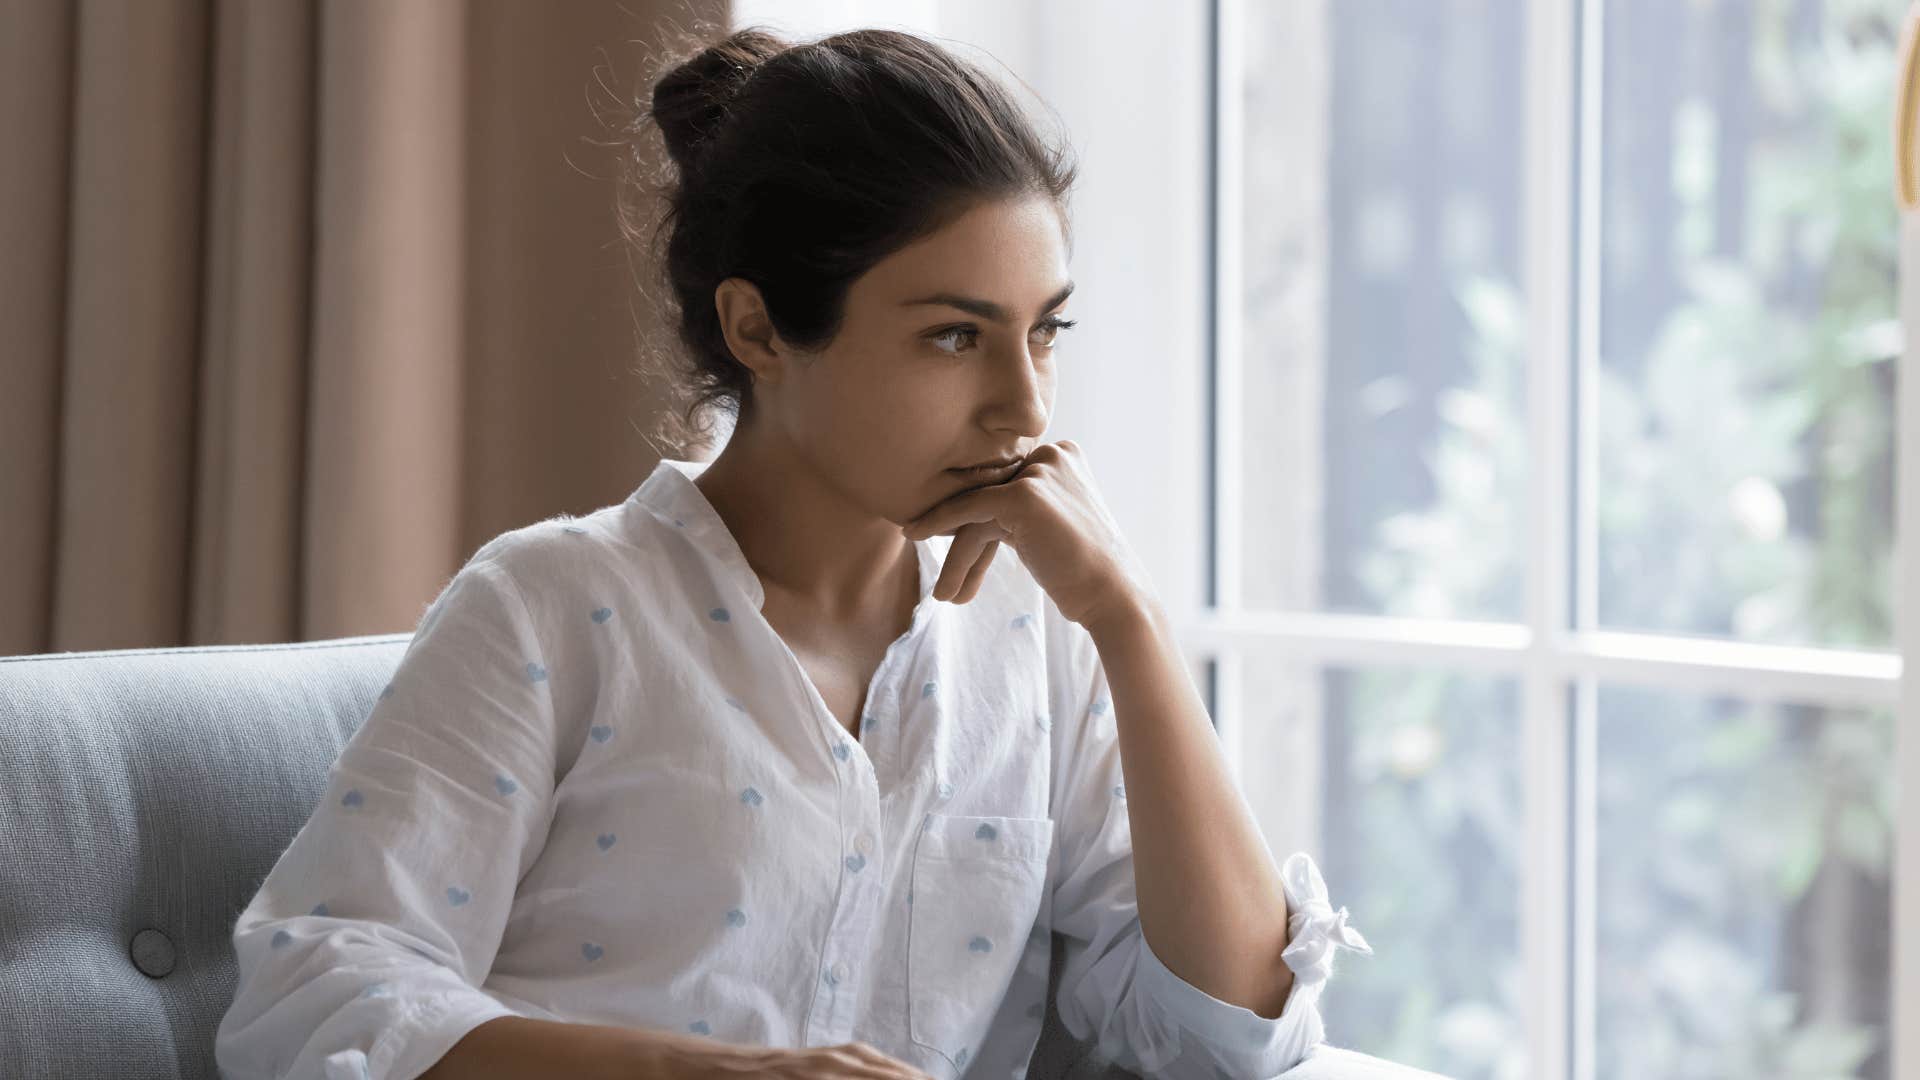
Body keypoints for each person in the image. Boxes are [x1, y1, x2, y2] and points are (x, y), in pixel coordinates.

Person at [214, 24, 1370, 1080]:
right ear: (758, 328)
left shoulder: (1040, 646)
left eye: (1045, 332)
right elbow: (312, 992)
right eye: (954, 337)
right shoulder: (552, 609)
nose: (1024, 408)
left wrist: (1130, 622)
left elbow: (1236, 1036)